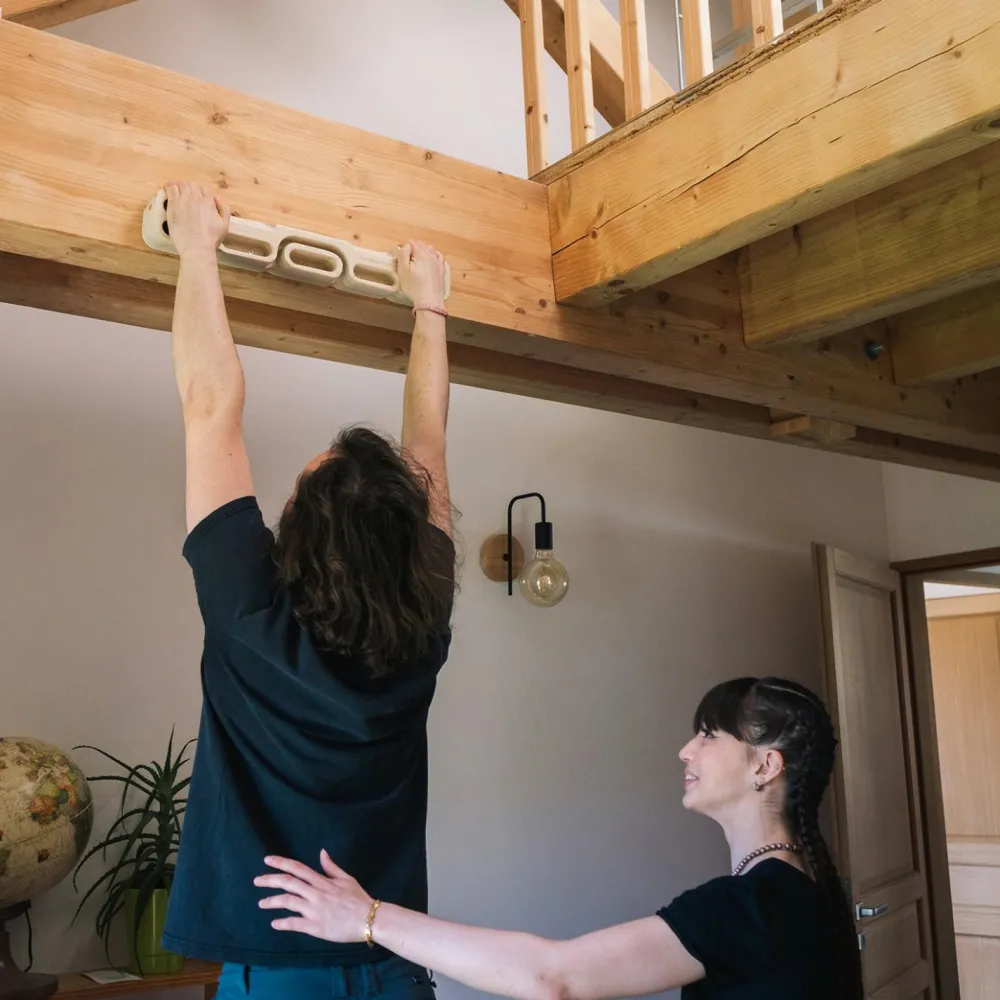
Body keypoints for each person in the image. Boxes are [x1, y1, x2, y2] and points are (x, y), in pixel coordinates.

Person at [159, 182, 457, 1000]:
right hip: (392, 961)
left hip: (281, 974)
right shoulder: (420, 624)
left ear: (295, 527)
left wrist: (195, 247)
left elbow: (211, 406)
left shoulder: (251, 607)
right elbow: (427, 447)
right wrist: (429, 305)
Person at [255, 677, 865, 1000]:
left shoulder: (752, 905)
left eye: (709, 735)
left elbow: (553, 978)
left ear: (765, 765)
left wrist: (367, 918)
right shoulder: (798, 890)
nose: (686, 750)